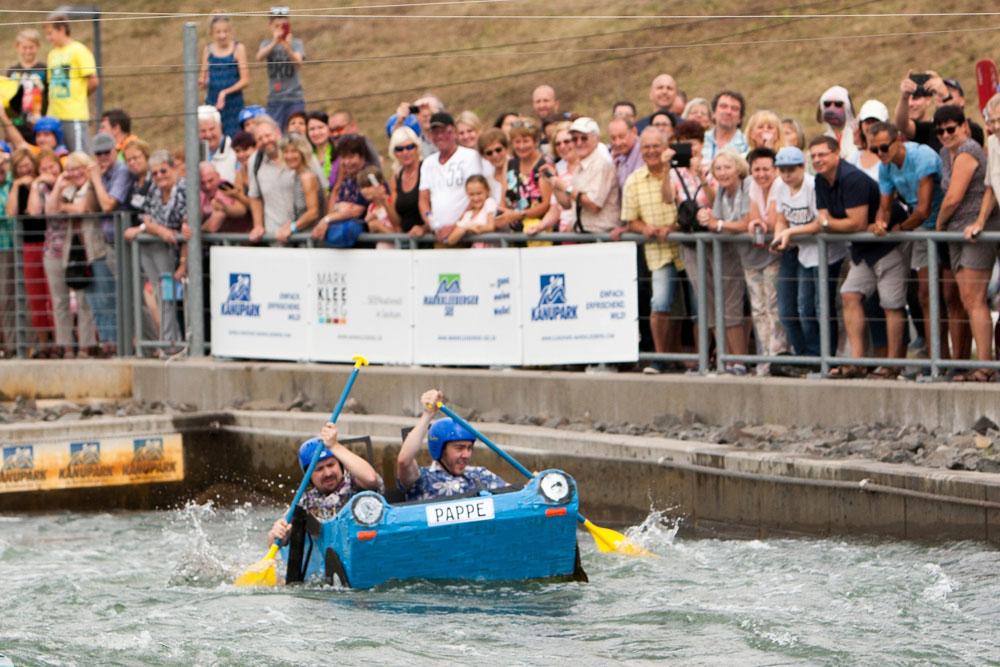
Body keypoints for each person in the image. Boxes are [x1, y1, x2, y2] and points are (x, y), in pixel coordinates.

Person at [867, 121, 962, 370]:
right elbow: (885, 208)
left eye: (884, 147)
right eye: (873, 150)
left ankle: (960, 362)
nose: (879, 154)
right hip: (922, 231)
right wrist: (880, 223)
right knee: (925, 294)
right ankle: (937, 361)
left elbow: (923, 210)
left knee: (952, 295)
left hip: (947, 226)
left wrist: (898, 229)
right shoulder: (885, 167)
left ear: (899, 140)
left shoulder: (922, 156)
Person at [809, 136, 907, 378]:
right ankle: (857, 361)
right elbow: (826, 218)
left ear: (837, 154)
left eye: (822, 154)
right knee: (849, 294)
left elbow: (857, 222)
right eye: (813, 156)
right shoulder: (821, 180)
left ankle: (893, 366)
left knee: (891, 304)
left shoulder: (851, 177)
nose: (817, 160)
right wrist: (829, 222)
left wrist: (827, 222)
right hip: (863, 250)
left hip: (887, 244)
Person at [933, 106, 1000, 381]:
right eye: (940, 131)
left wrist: (938, 224)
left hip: (975, 230)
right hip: (964, 229)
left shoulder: (970, 150)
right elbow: (991, 186)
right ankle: (983, 364)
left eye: (951, 128)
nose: (946, 135)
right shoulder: (952, 152)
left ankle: (985, 366)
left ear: (964, 126)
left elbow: (953, 197)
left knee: (974, 298)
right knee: (968, 299)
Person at [612, 126, 683, 374]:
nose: (652, 151)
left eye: (656, 146)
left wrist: (674, 227)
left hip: (687, 246)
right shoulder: (633, 180)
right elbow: (630, 220)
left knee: (696, 306)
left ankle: (698, 357)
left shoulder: (679, 172)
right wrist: (646, 228)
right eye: (646, 147)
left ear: (666, 147)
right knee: (660, 302)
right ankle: (661, 357)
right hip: (658, 250)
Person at [771, 146, 848, 360]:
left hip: (824, 253)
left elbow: (819, 223)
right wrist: (779, 237)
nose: (786, 175)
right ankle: (807, 354)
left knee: (819, 307)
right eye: (782, 170)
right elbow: (780, 218)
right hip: (803, 252)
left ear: (802, 167)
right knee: (801, 308)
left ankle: (822, 356)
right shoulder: (780, 186)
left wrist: (789, 232)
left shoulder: (813, 185)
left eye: (791, 170)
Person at [46, 151, 116, 356]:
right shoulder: (69, 189)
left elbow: (83, 208)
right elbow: (51, 211)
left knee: (100, 299)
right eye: (70, 169)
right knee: (89, 299)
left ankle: (104, 343)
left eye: (79, 168)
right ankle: (102, 343)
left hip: (96, 249)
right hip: (76, 252)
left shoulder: (92, 186)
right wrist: (59, 186)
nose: (75, 173)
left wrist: (64, 207)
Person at [266, 422, 384, 543]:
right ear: (309, 476)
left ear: (340, 464)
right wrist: (275, 534)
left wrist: (334, 446)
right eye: (319, 469)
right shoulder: (306, 502)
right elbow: (274, 541)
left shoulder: (355, 482)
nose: (327, 473)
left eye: (331, 465)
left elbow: (371, 479)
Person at [695, 149, 751, 374]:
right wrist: (707, 219)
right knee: (727, 306)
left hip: (749, 254)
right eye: (718, 169)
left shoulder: (747, 188)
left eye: (727, 167)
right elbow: (716, 219)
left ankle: (740, 361)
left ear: (738, 168)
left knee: (736, 307)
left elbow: (746, 222)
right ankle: (729, 360)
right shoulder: (722, 192)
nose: (723, 172)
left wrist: (717, 224)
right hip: (731, 254)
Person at [396, 388, 506, 502]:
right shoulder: (423, 479)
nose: (466, 455)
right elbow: (404, 461)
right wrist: (428, 414)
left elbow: (516, 493)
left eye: (469, 448)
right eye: (459, 448)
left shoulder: (480, 475)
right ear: (440, 449)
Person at [126, 150, 186, 351]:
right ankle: (168, 340)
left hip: (176, 252)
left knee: (170, 297)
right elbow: (148, 219)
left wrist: (184, 259)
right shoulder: (153, 189)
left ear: (173, 168)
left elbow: (186, 225)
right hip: (156, 246)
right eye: (155, 173)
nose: (159, 176)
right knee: (161, 296)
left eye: (163, 171)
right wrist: (160, 230)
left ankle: (174, 342)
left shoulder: (184, 189)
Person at [739, 147, 789, 373]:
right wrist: (756, 221)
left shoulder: (780, 186)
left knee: (773, 306)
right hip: (756, 257)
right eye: (756, 169)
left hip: (775, 256)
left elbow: (770, 220)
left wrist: (758, 222)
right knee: (758, 309)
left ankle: (779, 354)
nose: (761, 174)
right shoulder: (752, 186)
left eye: (766, 169)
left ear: (775, 169)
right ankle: (766, 356)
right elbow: (752, 218)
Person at [414, 112, 491, 243]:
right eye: (435, 133)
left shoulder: (470, 156)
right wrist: (433, 225)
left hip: (466, 234)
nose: (440, 136)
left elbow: (476, 195)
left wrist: (457, 225)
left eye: (444, 131)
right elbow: (423, 200)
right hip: (438, 236)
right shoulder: (428, 163)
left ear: (453, 132)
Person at [6, 149, 53, 356]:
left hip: (49, 242)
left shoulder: (42, 184)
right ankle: (42, 346)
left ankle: (59, 345)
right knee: (35, 298)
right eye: (20, 166)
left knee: (53, 296)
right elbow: (10, 213)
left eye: (27, 164)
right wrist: (17, 186)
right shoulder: (15, 187)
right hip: (29, 245)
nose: (25, 169)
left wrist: (35, 183)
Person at [551, 117, 620, 234]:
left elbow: (593, 205)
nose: (579, 142)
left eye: (584, 138)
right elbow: (568, 204)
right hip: (583, 234)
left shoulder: (601, 164)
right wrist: (553, 182)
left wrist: (564, 186)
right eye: (574, 138)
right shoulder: (581, 164)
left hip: (602, 236)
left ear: (596, 139)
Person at [44, 13, 97, 154]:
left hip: (74, 115)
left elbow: (93, 80)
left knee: (79, 156)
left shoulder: (79, 50)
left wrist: (78, 97)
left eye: (50, 33)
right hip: (54, 116)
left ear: (61, 29)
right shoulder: (52, 54)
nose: (48, 38)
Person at [895, 70, 984, 152]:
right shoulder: (931, 129)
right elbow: (903, 125)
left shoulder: (973, 128)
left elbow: (966, 135)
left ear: (962, 100)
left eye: (950, 91)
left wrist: (945, 95)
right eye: (936, 90)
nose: (940, 92)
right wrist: (904, 97)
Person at [497, 119, 552, 241]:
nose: (521, 146)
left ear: (535, 141)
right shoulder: (510, 164)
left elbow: (546, 204)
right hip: (513, 232)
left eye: (526, 141)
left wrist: (519, 214)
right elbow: (503, 200)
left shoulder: (544, 164)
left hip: (538, 232)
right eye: (517, 142)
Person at [312, 134, 373, 244]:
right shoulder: (348, 177)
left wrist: (327, 219)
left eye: (351, 157)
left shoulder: (368, 175)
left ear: (362, 156)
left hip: (368, 240)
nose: (346, 162)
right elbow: (335, 206)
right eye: (343, 157)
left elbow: (356, 211)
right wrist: (338, 207)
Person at [256, 7, 305, 133]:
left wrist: (287, 48)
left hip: (295, 97)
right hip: (275, 98)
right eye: (277, 26)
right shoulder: (266, 44)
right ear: (270, 26)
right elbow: (259, 57)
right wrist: (274, 42)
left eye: (284, 25)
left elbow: (298, 64)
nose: (280, 29)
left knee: (297, 133)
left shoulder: (296, 43)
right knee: (274, 132)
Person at [199, 14, 249, 139]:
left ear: (230, 31)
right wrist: (202, 83)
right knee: (212, 136)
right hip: (213, 103)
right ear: (212, 33)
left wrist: (225, 92)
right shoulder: (208, 50)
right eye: (218, 32)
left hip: (233, 104)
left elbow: (245, 80)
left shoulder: (238, 49)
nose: (222, 35)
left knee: (234, 138)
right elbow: (203, 76)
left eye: (225, 31)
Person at [247, 115, 294, 243]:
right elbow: (254, 195)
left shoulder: (296, 153)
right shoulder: (254, 161)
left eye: (268, 135)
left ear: (278, 132)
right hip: (275, 237)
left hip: (304, 233)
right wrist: (258, 225)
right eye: (260, 138)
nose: (265, 141)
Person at [275, 133, 322, 243]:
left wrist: (291, 229)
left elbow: (313, 213)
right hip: (303, 241)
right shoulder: (297, 176)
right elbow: (299, 214)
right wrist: (284, 229)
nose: (289, 156)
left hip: (313, 242)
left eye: (294, 151)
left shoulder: (307, 177)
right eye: (286, 152)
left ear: (303, 152)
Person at [387, 126, 423, 235]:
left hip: (428, 237)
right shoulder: (395, 178)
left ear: (417, 148)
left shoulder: (427, 169)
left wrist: (424, 228)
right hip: (406, 240)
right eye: (399, 149)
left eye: (409, 147)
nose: (405, 152)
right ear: (394, 152)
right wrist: (383, 200)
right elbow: (397, 221)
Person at [7, 29, 47, 124]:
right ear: (17, 47)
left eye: (31, 47)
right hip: (17, 123)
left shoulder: (45, 69)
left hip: (40, 124)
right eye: (24, 47)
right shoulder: (12, 71)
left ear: (38, 47)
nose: (28, 51)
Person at [446, 174, 497, 247]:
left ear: (487, 190)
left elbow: (491, 226)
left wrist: (471, 229)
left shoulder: (489, 202)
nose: (476, 198)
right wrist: (466, 228)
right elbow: (450, 240)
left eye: (479, 193)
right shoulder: (468, 215)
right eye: (471, 194)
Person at [702, 90, 748, 161]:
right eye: (723, 106)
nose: (728, 112)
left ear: (740, 118)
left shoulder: (748, 144)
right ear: (713, 113)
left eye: (734, 108)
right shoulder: (701, 140)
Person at [198, 105, 237, 183]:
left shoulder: (235, 151)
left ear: (220, 126)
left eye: (212, 129)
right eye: (203, 131)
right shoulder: (193, 155)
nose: (208, 135)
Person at [817, 85, 857, 159]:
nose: (832, 108)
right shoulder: (822, 141)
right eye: (827, 104)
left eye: (838, 104)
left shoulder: (856, 139)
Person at [305, 110, 339, 192]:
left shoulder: (340, 154)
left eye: (320, 127)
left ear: (328, 128)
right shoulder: (306, 157)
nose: (316, 132)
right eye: (312, 129)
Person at [608, 116, 642, 191]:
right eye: (613, 138)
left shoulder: (644, 151)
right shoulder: (617, 154)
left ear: (634, 132)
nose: (618, 143)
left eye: (622, 136)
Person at [477, 127, 509, 204]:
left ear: (506, 148)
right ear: (484, 156)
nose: (495, 155)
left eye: (498, 150)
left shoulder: (520, 169)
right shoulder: (488, 180)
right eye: (489, 153)